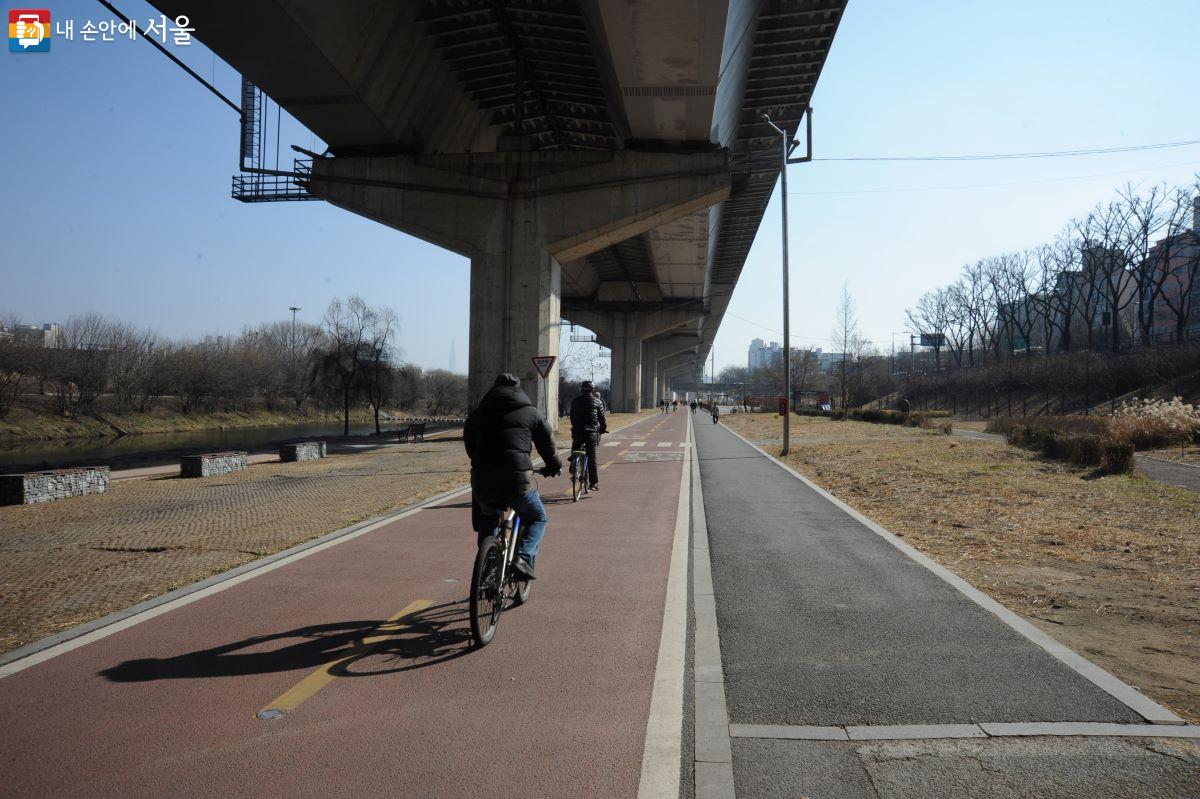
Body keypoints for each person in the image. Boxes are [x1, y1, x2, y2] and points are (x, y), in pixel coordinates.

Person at [463, 373, 562, 581]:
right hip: (517, 480)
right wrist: (554, 466)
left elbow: (470, 444)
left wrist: (481, 463)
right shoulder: (530, 412)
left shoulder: (478, 414)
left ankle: (487, 565)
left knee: (489, 514)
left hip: (484, 479)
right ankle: (523, 559)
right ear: (518, 390)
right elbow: (547, 444)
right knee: (537, 517)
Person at [569, 379, 607, 491]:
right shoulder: (598, 402)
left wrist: (575, 426)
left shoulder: (574, 401)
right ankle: (593, 483)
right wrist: (603, 429)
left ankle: (573, 465)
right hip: (591, 432)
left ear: (581, 389)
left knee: (575, 447)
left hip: (577, 431)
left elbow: (572, 416)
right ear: (593, 389)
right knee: (592, 458)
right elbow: (602, 419)